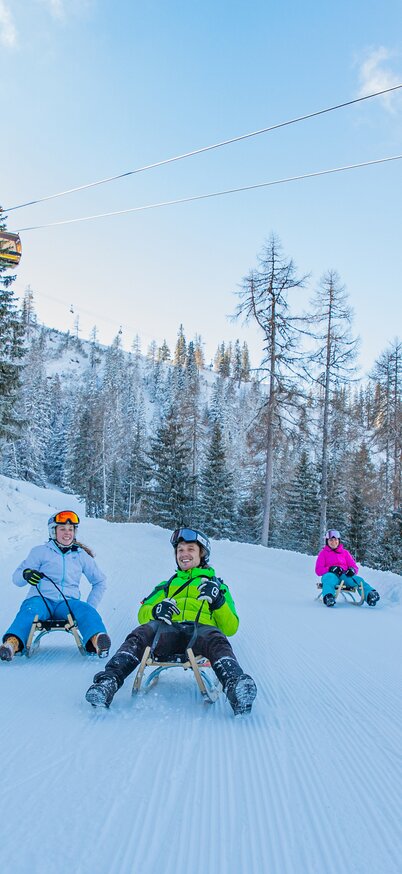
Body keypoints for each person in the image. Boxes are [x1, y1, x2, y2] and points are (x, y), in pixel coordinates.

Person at [85, 527, 257, 716]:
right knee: (141, 633)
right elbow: (142, 614)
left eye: (190, 549)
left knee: (216, 637)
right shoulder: (165, 586)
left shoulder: (218, 587)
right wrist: (156, 610)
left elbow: (231, 628)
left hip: (200, 633)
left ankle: (236, 687)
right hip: (167, 632)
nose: (184, 554)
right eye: (180, 550)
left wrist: (218, 601)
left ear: (202, 554)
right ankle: (107, 683)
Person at [0, 510, 111, 661]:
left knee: (86, 610)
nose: (67, 533)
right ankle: (11, 645)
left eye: (71, 529)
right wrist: (26, 574)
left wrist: (90, 605)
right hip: (41, 599)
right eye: (62, 529)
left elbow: (99, 581)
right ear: (53, 531)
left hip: (67, 603)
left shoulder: (80, 555)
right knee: (29, 611)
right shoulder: (40, 552)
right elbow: (16, 579)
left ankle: (98, 641)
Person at [315, 529, 380, 608]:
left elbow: (354, 567)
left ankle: (370, 595)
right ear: (327, 541)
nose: (333, 542)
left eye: (335, 539)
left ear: (338, 540)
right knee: (328, 579)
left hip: (344, 575)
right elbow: (318, 570)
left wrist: (352, 570)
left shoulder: (345, 553)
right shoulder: (323, 553)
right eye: (330, 540)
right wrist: (330, 569)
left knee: (358, 580)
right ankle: (328, 597)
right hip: (331, 575)